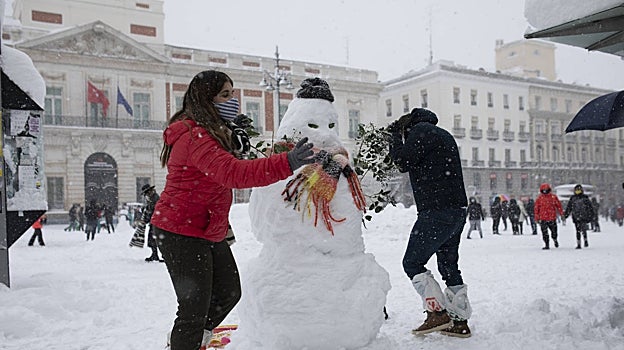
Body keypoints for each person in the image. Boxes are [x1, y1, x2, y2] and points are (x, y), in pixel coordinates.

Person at [149, 70, 315, 350]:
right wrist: (286, 162)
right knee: (193, 309)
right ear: (207, 98)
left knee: (228, 291)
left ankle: (190, 339)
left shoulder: (210, 133)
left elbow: (223, 166)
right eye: (225, 95)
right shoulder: (194, 136)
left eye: (232, 93)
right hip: (180, 230)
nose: (232, 100)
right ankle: (186, 340)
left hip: (203, 228)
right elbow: (233, 174)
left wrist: (232, 139)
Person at [387, 107, 472, 338]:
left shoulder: (420, 132)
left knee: (412, 263)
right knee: (448, 265)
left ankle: (437, 314)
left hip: (436, 210)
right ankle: (460, 321)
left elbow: (403, 162)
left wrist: (393, 137)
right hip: (457, 210)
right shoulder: (442, 134)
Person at [534, 183, 564, 250]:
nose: (545, 191)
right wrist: (537, 217)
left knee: (554, 232)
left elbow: (559, 206)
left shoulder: (553, 197)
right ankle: (546, 244)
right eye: (543, 190)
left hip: (551, 218)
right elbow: (536, 209)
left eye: (546, 190)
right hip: (543, 218)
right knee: (545, 233)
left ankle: (554, 239)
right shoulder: (539, 198)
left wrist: (561, 214)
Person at [564, 184, 595, 249]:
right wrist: (565, 215)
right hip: (576, 216)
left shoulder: (584, 198)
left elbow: (590, 207)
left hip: (583, 216)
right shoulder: (573, 198)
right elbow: (569, 207)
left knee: (583, 229)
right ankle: (579, 243)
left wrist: (591, 215)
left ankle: (585, 240)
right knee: (578, 230)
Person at [139, 184, 163, 262]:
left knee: (156, 240)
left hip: (157, 223)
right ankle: (154, 254)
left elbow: (154, 211)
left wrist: (147, 214)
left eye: (146, 193)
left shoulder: (155, 198)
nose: (145, 195)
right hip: (154, 222)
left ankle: (160, 255)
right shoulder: (151, 198)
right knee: (152, 240)